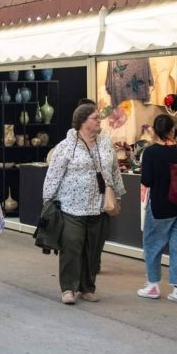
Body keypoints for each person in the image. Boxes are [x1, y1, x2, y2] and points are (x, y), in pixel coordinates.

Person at [42, 103, 125, 305]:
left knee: (93, 249)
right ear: (82, 122)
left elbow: (114, 170)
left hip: (99, 205)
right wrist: (47, 201)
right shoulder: (65, 146)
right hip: (71, 206)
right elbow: (53, 176)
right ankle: (68, 288)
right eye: (95, 118)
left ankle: (87, 287)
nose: (99, 121)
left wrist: (118, 197)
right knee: (71, 246)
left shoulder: (104, 144)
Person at [137, 114, 177, 301]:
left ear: (154, 129)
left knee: (152, 245)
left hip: (160, 205)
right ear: (172, 130)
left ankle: (153, 285)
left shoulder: (151, 152)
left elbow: (147, 180)